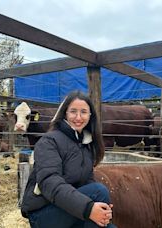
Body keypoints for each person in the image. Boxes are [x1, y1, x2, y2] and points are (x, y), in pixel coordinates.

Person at [20, 91, 115, 228]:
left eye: (83, 112)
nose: (78, 117)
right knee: (98, 192)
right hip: (43, 214)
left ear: (90, 115)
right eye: (73, 112)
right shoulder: (49, 141)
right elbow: (50, 183)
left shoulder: (86, 143)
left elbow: (86, 181)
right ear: (65, 113)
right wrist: (89, 208)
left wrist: (100, 209)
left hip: (69, 209)